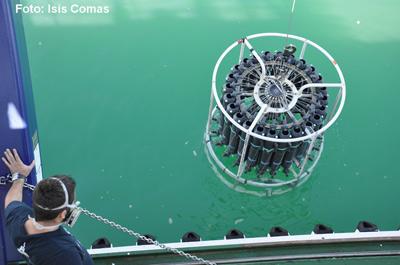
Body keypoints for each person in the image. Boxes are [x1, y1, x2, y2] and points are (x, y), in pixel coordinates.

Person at [2, 148, 94, 265]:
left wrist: (19, 178)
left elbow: (11, 202)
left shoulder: (18, 220)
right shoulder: (66, 254)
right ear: (62, 214)